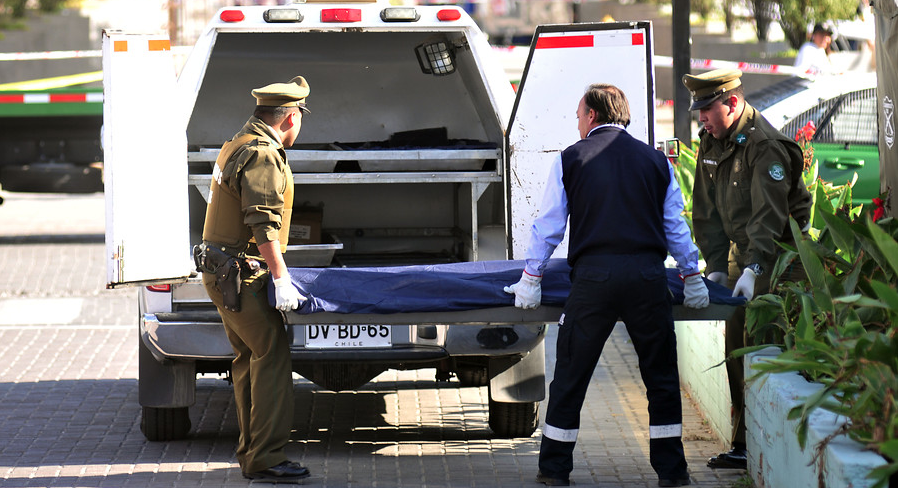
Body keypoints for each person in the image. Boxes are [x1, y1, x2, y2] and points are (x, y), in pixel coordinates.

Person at [504, 84, 710, 487]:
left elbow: (548, 226)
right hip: (647, 279)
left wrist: (531, 277)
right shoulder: (655, 161)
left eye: (579, 115)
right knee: (661, 377)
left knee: (571, 374)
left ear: (593, 116)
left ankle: (555, 470)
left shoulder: (571, 159)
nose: (577, 122)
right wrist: (692, 274)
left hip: (594, 279)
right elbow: (674, 226)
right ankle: (672, 472)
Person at [682, 68, 812, 470]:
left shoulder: (765, 146)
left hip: (781, 261)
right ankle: (743, 442)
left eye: (707, 109)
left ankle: (752, 444)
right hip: (746, 256)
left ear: (732, 103)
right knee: (735, 349)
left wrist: (754, 270)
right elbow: (706, 213)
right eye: (698, 111)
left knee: (763, 346)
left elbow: (769, 220)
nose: (701, 118)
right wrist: (717, 267)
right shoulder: (713, 141)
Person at [196, 76, 310, 482]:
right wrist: (281, 277)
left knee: (248, 359)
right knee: (271, 357)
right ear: (290, 116)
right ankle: (265, 457)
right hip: (241, 275)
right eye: (300, 118)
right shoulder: (263, 154)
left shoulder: (238, 141)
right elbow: (262, 223)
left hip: (224, 272)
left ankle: (252, 452)